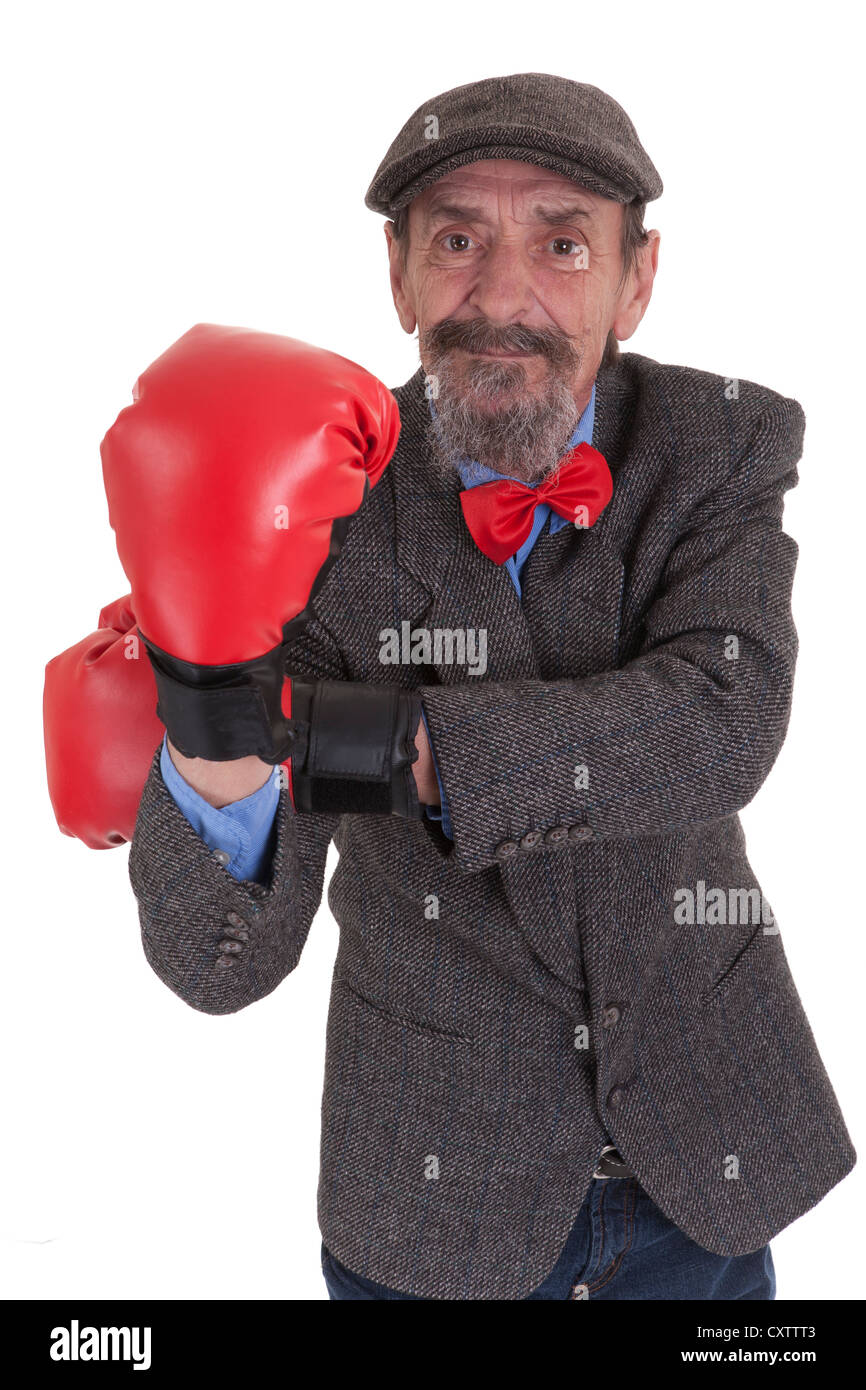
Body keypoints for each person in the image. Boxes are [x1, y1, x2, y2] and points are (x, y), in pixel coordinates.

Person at [45, 73, 855, 1301]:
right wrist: (209, 706)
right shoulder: (312, 501)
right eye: (457, 240)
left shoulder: (719, 444)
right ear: (400, 275)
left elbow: (716, 721)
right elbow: (218, 967)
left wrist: (347, 734)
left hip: (704, 1154)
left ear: (637, 280)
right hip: (430, 1198)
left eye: (563, 242)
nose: (502, 296)